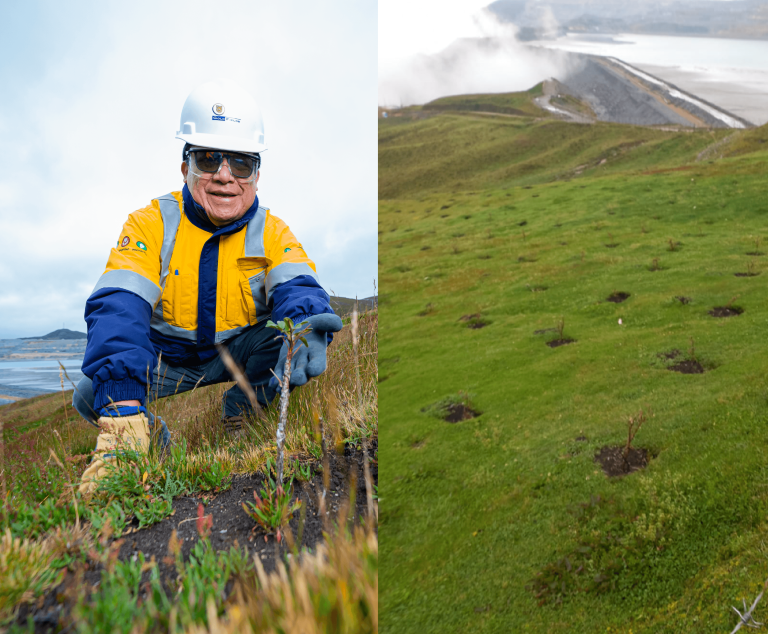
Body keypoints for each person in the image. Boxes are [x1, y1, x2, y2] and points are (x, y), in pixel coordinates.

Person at [75, 80, 342, 494]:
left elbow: (299, 284)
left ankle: (242, 411)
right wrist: (123, 410)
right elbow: (119, 306)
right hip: (167, 359)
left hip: (235, 352)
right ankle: (146, 439)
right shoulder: (149, 223)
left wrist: (306, 322)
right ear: (186, 167)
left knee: (284, 338)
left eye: (240, 164)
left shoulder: (273, 230)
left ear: (256, 174)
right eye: (208, 159)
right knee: (93, 392)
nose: (224, 176)